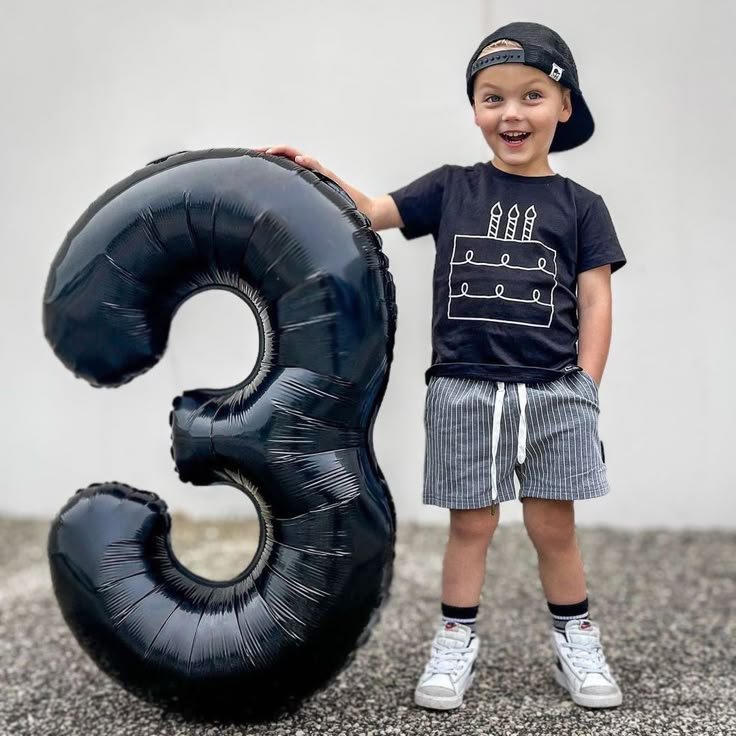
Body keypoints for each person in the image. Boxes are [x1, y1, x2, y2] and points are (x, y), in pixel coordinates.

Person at [256, 20, 626, 711]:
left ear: (564, 105)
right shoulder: (452, 188)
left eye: (531, 95)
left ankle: (575, 638)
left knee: (554, 526)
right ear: (476, 110)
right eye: (492, 98)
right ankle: (456, 640)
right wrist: (311, 175)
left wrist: (586, 385)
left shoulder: (583, 208)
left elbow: (596, 298)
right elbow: (371, 211)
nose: (512, 113)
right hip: (462, 390)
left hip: (555, 394)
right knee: (471, 526)